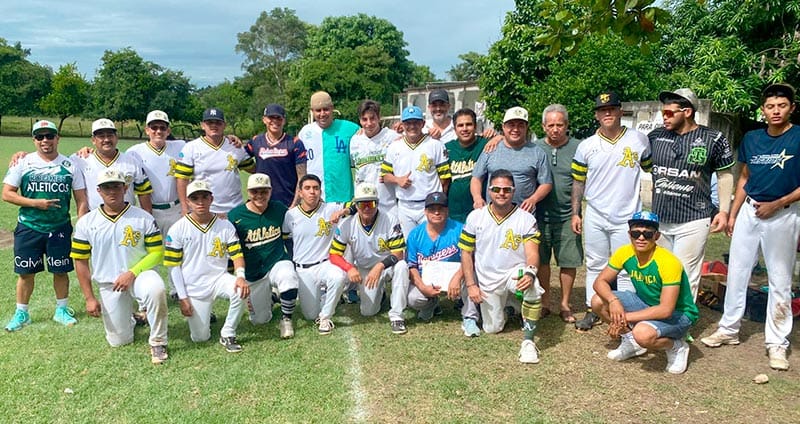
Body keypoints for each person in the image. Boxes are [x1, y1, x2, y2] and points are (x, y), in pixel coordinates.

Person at [701, 83, 800, 371]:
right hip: (749, 211)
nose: (776, 111)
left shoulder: (797, 137)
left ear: (791, 107)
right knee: (738, 271)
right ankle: (729, 328)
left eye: (781, 105)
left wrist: (778, 203)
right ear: (763, 110)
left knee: (780, 279)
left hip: (782, 214)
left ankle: (777, 343)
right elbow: (744, 176)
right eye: (770, 106)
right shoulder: (753, 138)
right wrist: (732, 213)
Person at [571, 91, 652, 331]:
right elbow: (578, 182)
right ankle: (591, 307)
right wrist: (577, 212)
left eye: (612, 109)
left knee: (626, 267)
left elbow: (650, 170)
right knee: (595, 263)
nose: (607, 113)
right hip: (596, 212)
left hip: (628, 215)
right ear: (597, 115)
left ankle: (625, 311)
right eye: (602, 110)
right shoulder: (586, 146)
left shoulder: (639, 139)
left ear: (620, 111)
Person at [71, 168, 169, 364]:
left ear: (125, 188)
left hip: (139, 275)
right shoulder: (87, 222)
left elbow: (157, 253)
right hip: (109, 283)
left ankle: (158, 341)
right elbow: (80, 260)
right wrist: (89, 298)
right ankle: (132, 318)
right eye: (106, 187)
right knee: (120, 341)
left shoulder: (143, 217)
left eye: (116, 186)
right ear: (98, 191)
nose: (112, 191)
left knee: (156, 288)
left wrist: (132, 273)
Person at [648, 88, 735, 300]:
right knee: (661, 271)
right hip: (661, 218)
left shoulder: (713, 138)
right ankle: (660, 318)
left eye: (670, 113)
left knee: (685, 274)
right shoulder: (655, 136)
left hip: (694, 218)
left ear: (687, 112)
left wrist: (724, 211)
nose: (664, 116)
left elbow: (725, 175)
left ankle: (682, 323)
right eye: (663, 112)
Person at [3, 120, 88, 332]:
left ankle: (61, 309)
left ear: (57, 138)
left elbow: (81, 199)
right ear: (34, 140)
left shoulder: (70, 165)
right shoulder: (22, 162)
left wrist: (80, 226)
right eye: (39, 137)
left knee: (60, 271)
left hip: (59, 227)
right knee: (25, 273)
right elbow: (7, 194)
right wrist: (35, 204)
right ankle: (22, 313)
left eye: (49, 136)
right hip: (29, 226)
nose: (45, 141)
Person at [591, 211, 698, 374]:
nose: (641, 238)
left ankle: (677, 347)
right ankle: (631, 341)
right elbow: (600, 282)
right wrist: (613, 302)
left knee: (642, 333)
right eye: (636, 232)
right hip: (646, 303)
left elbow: (665, 309)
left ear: (656, 236)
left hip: (679, 314)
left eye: (647, 234)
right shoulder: (624, 252)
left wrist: (621, 319)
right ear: (629, 234)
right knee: (598, 301)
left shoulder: (668, 262)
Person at [459, 169, 545, 364]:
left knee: (532, 284)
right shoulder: (475, 217)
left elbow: (532, 252)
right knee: (492, 328)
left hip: (515, 272)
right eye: (496, 189)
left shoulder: (526, 218)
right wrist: (472, 285)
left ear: (513, 191)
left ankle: (529, 343)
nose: (501, 193)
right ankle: (511, 309)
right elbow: (466, 252)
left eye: (507, 189)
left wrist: (531, 272)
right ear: (489, 191)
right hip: (488, 279)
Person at [164, 180, 250, 353]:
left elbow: (237, 254)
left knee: (240, 291)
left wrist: (240, 276)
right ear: (188, 201)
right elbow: (174, 267)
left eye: (204, 197)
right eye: (195, 198)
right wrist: (182, 297)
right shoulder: (177, 229)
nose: (200, 202)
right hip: (194, 286)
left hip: (219, 278)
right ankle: (204, 314)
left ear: (212, 199)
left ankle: (228, 333)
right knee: (200, 338)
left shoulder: (224, 225)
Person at [329, 183, 410, 334]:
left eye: (371, 203)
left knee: (402, 266)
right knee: (368, 312)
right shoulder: (347, 223)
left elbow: (398, 253)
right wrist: (350, 268)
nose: (367, 208)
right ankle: (381, 294)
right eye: (362, 204)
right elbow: (334, 254)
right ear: (356, 205)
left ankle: (397, 316)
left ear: (377, 203)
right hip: (365, 268)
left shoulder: (390, 219)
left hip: (387, 265)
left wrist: (379, 267)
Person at [228, 173, 300, 339]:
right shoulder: (235, 216)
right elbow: (230, 248)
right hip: (253, 272)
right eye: (255, 192)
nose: (259, 196)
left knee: (288, 276)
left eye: (264, 191)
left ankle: (286, 318)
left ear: (270, 191)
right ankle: (273, 295)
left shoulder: (279, 209)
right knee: (260, 320)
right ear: (248, 192)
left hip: (276, 262)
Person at [282, 174, 350, 335]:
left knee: (338, 276)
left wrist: (343, 211)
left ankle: (325, 317)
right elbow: (286, 239)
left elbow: (356, 204)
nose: (312, 192)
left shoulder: (331, 208)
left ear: (320, 191)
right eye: (307, 188)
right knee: (310, 314)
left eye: (316, 188)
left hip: (325, 263)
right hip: (303, 269)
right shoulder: (290, 215)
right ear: (300, 193)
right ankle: (327, 297)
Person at [406, 192, 481, 337]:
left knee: (472, 275)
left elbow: (470, 257)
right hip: (428, 280)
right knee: (413, 299)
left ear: (447, 210)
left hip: (457, 277)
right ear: (425, 211)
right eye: (432, 209)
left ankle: (469, 317)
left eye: (440, 208)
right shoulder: (415, 234)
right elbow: (412, 265)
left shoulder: (460, 229)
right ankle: (431, 304)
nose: (436, 212)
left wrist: (457, 278)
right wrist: (422, 287)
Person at [534, 104, 583, 323]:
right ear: (544, 126)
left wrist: (576, 213)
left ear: (567, 126)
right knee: (542, 261)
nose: (555, 129)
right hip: (539, 216)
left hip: (567, 216)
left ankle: (564, 303)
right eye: (551, 125)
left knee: (568, 261)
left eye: (559, 125)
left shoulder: (578, 148)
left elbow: (578, 182)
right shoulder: (534, 148)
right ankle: (545, 303)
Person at [381, 105, 452, 237]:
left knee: (432, 242)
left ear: (423, 123)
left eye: (416, 122)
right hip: (405, 206)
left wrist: (439, 202)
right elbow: (384, 175)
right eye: (408, 123)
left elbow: (445, 178)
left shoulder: (435, 145)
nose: (412, 126)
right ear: (402, 124)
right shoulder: (394, 146)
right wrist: (397, 179)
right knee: (410, 245)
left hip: (429, 205)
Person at [470, 106, 552, 216]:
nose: (515, 129)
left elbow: (546, 183)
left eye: (520, 125)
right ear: (503, 127)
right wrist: (477, 198)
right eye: (511, 125)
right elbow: (476, 178)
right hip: (492, 215)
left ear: (526, 127)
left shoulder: (537, 152)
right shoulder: (490, 148)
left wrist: (533, 199)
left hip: (523, 215)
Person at [174, 107, 255, 218]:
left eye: (218, 122)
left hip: (236, 208)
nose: (214, 125)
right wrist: (184, 207)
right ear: (202, 125)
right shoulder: (191, 148)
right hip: (206, 209)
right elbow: (182, 179)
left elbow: (253, 169)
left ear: (224, 125)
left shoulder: (235, 146)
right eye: (209, 122)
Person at [127, 110, 185, 235]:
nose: (158, 131)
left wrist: (230, 139)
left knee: (178, 251)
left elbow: (204, 145)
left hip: (177, 210)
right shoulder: (134, 152)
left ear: (168, 131)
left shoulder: (180, 146)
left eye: (162, 128)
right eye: (154, 127)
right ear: (147, 130)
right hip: (150, 211)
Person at [77, 118, 154, 212]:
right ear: (93, 140)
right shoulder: (82, 160)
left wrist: (148, 217)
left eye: (110, 135)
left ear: (116, 137)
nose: (106, 140)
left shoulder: (132, 161)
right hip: (95, 219)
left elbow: (144, 193)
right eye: (101, 136)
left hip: (128, 217)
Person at [297, 91, 360, 204]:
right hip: (314, 198)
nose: (322, 114)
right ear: (312, 111)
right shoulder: (305, 132)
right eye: (318, 110)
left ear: (332, 108)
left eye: (326, 109)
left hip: (342, 197)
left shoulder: (350, 128)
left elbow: (371, 136)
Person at [244, 104, 307, 208]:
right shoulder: (256, 141)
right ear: (264, 120)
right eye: (271, 117)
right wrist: (255, 169)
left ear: (284, 121)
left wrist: (294, 205)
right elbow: (240, 158)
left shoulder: (295, 143)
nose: (275, 121)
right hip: (262, 202)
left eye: (279, 118)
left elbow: (302, 177)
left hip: (287, 203)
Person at [350, 99, 400, 219]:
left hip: (388, 204)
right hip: (364, 204)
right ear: (360, 120)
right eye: (364, 119)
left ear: (379, 117)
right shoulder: (355, 141)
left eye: (372, 118)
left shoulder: (392, 137)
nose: (369, 123)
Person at [445, 108, 489, 223]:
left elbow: (506, 141)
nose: (464, 129)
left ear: (475, 126)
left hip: (479, 210)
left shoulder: (485, 144)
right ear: (455, 128)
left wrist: (499, 137)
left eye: (468, 124)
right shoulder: (447, 148)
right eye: (460, 125)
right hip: (453, 213)